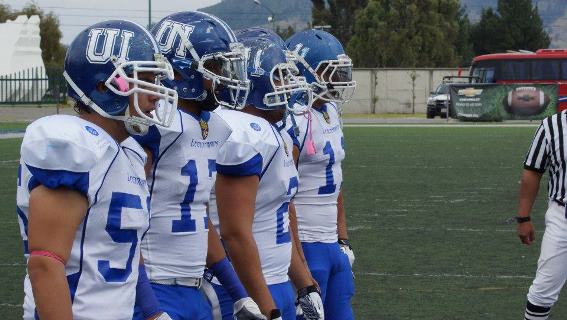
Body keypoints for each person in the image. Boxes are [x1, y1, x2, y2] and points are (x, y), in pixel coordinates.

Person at [15, 20, 177, 319]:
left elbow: (124, 253)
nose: (156, 93)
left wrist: (153, 312)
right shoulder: (74, 147)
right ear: (106, 86)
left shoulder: (129, 151)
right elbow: (45, 263)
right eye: (146, 80)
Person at [133, 11, 263, 320]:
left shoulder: (211, 126)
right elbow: (124, 221)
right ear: (182, 70)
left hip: (193, 290)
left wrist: (239, 293)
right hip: (151, 285)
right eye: (216, 66)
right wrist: (150, 308)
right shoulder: (156, 123)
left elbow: (198, 215)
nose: (223, 76)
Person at [213, 30, 322, 320]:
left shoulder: (274, 132)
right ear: (251, 80)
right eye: (279, 77)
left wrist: (304, 285)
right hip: (246, 289)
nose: (288, 85)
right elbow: (235, 234)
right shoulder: (242, 133)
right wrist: (266, 306)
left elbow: (279, 217)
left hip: (276, 280)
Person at [285, 29, 357, 320]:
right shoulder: (292, 118)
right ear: (305, 73)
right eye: (330, 72)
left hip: (331, 245)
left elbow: (336, 179)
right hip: (305, 243)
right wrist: (298, 261)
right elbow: (281, 194)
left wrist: (343, 238)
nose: (338, 80)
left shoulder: (331, 111)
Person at [517, 111, 567, 320]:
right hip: (562, 216)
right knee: (543, 290)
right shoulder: (551, 126)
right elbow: (532, 171)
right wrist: (524, 217)